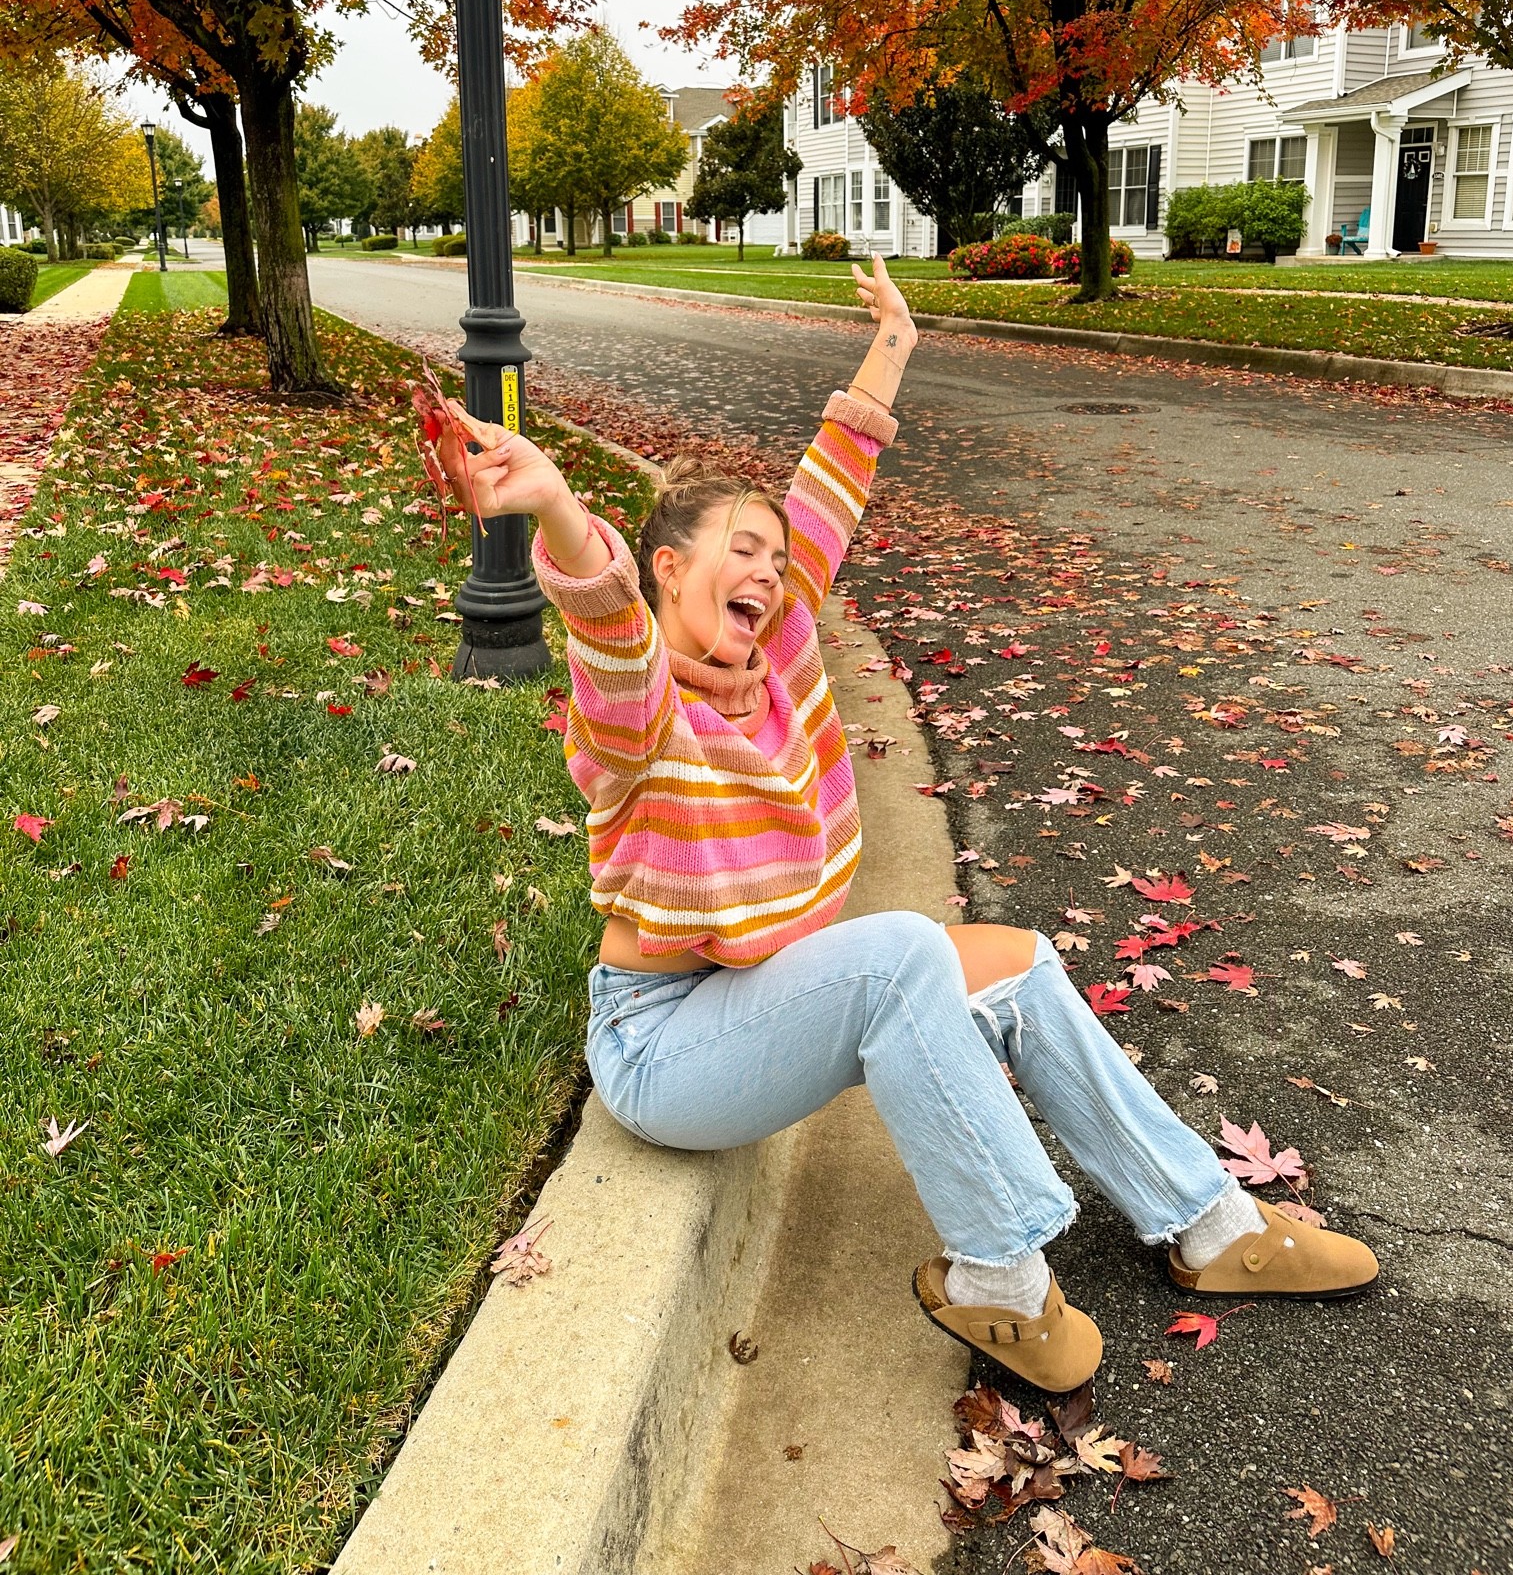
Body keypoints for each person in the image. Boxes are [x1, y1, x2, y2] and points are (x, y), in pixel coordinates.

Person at [429, 256, 1377, 1394]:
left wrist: (892, 344)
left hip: (755, 997)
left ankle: (1209, 1223)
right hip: (665, 1045)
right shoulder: (638, 715)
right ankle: (1003, 1282)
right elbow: (606, 618)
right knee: (899, 954)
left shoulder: (774, 663)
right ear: (668, 568)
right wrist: (554, 504)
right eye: (742, 552)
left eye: (778, 565)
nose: (771, 577)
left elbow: (828, 491)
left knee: (1018, 962)